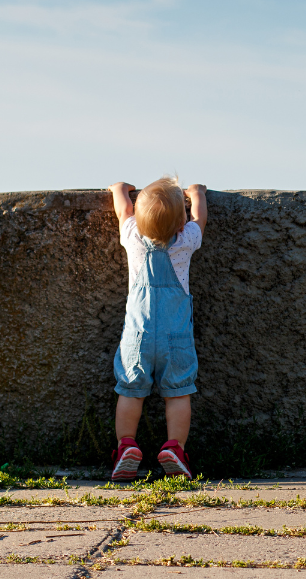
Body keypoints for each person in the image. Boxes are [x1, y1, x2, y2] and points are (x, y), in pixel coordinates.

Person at [107, 177, 208, 481]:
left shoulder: (133, 236)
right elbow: (199, 218)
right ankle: (175, 448)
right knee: (178, 393)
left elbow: (123, 212)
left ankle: (126, 446)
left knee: (131, 390)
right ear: (181, 222)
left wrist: (119, 191)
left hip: (136, 338)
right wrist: (197, 194)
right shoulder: (186, 240)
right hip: (176, 339)